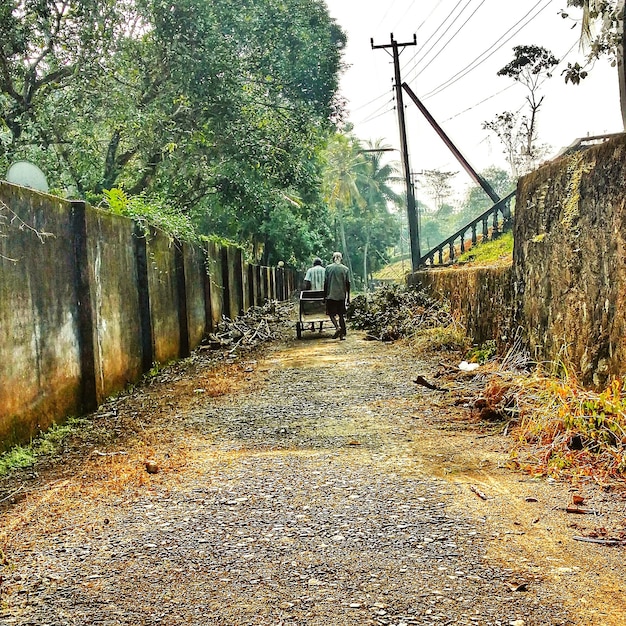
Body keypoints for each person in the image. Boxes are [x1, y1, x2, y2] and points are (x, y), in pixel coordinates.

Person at [324, 251, 350, 340]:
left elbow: (326, 282)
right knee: (341, 315)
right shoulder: (345, 269)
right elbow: (348, 283)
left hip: (331, 295)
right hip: (341, 296)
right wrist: (348, 296)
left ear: (333, 258)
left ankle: (337, 327)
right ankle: (342, 335)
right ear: (341, 258)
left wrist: (325, 295)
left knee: (331, 314)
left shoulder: (328, 268)